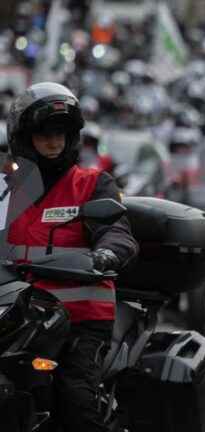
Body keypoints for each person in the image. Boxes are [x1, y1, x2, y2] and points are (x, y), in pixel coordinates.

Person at [5, 82, 138, 432]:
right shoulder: (7, 188)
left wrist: (107, 254)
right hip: (19, 315)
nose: (53, 141)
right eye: (43, 133)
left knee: (74, 397)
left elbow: (117, 230)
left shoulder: (93, 184)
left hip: (78, 320)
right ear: (23, 137)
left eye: (61, 133)